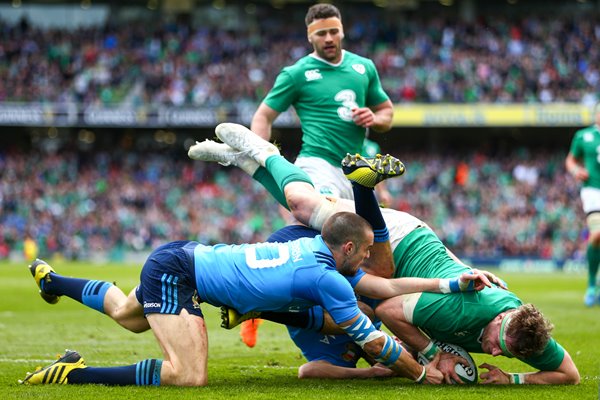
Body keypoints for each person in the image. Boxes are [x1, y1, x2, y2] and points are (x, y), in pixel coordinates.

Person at [21, 132, 496, 388]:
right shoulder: (326, 276)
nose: (372, 259)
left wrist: (455, 284)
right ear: (348, 249)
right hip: (180, 273)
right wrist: (421, 373)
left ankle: (54, 283)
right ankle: (74, 372)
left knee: (127, 315)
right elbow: (374, 343)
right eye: (367, 250)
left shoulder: (317, 254)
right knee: (189, 377)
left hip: (183, 258)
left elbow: (384, 289)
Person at [188, 123, 580, 385]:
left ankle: (244, 161)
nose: (493, 351)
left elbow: (569, 374)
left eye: (503, 354)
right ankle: (274, 156)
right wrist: (430, 354)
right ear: (501, 317)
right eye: (498, 343)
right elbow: (390, 309)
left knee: (339, 284)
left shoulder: (523, 334)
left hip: (343, 260)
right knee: (305, 209)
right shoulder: (461, 311)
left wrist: (514, 378)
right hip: (401, 238)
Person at [251, 3, 393, 200]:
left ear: (341, 32)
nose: (328, 38)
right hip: (317, 163)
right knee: (328, 214)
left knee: (356, 230)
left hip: (356, 169)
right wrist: (261, 157)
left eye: (333, 31)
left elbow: (386, 112)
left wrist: (374, 119)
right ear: (310, 36)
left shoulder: (364, 67)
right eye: (321, 33)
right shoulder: (296, 73)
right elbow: (263, 116)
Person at [565, 102, 600, 307]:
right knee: (596, 234)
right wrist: (575, 171)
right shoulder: (583, 136)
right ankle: (591, 284)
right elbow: (570, 160)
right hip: (593, 191)